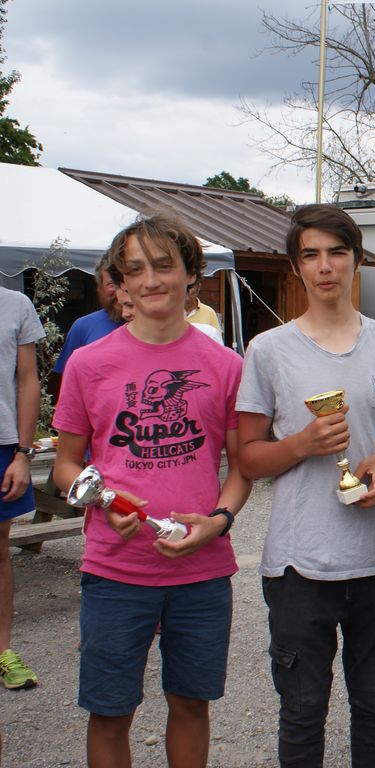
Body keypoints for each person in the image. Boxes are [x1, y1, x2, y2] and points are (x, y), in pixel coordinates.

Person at [51, 210, 252, 768]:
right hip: (115, 570)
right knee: (110, 711)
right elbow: (66, 466)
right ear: (119, 284)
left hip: (202, 572)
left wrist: (219, 521)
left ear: (191, 274)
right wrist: (101, 500)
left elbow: (241, 470)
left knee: (190, 703)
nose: (151, 280)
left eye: (164, 265)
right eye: (135, 270)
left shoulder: (225, 365)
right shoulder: (88, 364)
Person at [236, 204, 375, 767]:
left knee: (374, 706)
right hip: (299, 565)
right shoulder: (268, 350)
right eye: (311, 255)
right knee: (302, 712)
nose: (325, 266)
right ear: (296, 266)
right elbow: (247, 459)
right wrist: (302, 444)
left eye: (337, 253)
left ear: (356, 260)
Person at [0, 285, 45, 692]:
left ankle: (2, 651)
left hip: (3, 444)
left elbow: (28, 381)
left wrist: (23, 453)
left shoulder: (15, 304)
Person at [48, 254, 122, 396]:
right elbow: (65, 383)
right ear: (99, 288)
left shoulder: (154, 326)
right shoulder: (83, 327)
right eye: (112, 284)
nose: (120, 291)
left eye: (124, 282)